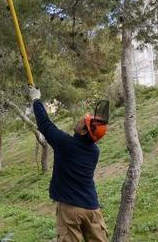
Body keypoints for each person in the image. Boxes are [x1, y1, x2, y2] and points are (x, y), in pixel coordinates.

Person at [29, 86, 109, 242]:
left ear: (84, 131)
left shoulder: (66, 144)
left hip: (70, 209)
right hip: (92, 208)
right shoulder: (94, 151)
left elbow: (45, 124)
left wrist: (35, 100)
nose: (80, 119)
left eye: (82, 121)